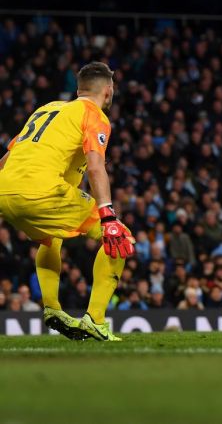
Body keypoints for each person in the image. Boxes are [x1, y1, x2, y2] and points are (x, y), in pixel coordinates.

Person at [0, 61, 135, 341]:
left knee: (50, 238)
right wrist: (107, 215)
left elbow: (6, 160)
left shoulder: (46, 108)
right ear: (108, 91)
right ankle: (95, 320)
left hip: (5, 190)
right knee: (120, 238)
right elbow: (97, 167)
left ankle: (52, 308)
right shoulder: (94, 115)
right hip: (42, 191)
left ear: (78, 89)